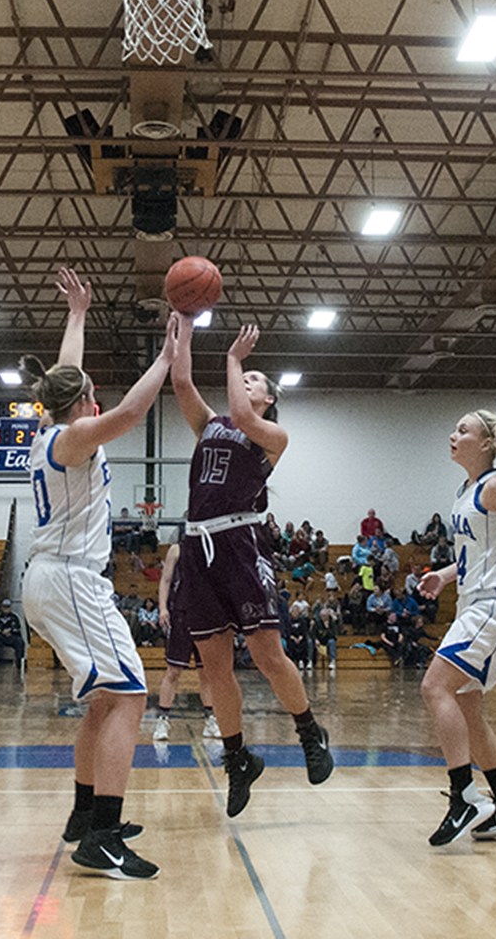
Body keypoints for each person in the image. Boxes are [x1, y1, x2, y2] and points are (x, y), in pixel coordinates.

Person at [20, 267, 174, 880]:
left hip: (52, 579)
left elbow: (67, 377)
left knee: (104, 700)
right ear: (85, 403)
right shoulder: (77, 433)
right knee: (131, 695)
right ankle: (103, 837)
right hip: (70, 580)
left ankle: (86, 815)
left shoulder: (49, 428)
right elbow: (134, 409)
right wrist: (168, 354)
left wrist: (78, 316)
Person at [166, 311, 334, 819]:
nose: (246, 380)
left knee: (266, 654)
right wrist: (187, 324)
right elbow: (180, 380)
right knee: (215, 668)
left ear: (269, 399)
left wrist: (235, 357)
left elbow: (241, 416)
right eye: (245, 375)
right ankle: (239, 757)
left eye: (255, 379)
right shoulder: (209, 423)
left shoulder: (270, 439)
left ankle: (309, 730)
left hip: (241, 543)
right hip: (197, 547)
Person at [416, 408, 496, 844]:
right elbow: (477, 553)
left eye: (462, 430)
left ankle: (464, 796)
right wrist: (445, 575)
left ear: (487, 443)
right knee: (466, 706)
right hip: (475, 602)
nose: (451, 435)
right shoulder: (465, 491)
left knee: (436, 687)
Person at [150, 541, 219, 742]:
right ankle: (162, 721)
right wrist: (162, 608)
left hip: (205, 615)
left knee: (206, 672)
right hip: (181, 615)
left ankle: (210, 720)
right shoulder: (177, 549)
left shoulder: (211, 546)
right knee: (173, 671)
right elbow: (165, 580)